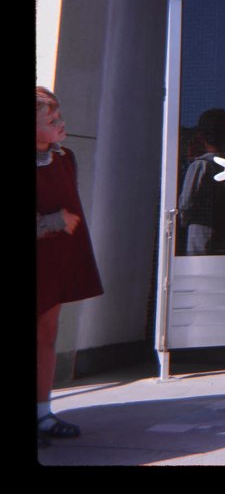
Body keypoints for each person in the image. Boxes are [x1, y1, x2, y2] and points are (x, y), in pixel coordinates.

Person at [37, 86, 103, 445]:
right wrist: (53, 222)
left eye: (59, 117)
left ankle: (43, 414)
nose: (61, 124)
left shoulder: (65, 158)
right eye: (51, 120)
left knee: (46, 338)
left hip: (52, 265)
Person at [178, 108, 225, 254]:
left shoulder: (201, 165)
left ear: (201, 136)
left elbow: (186, 203)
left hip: (200, 234)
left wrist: (181, 220)